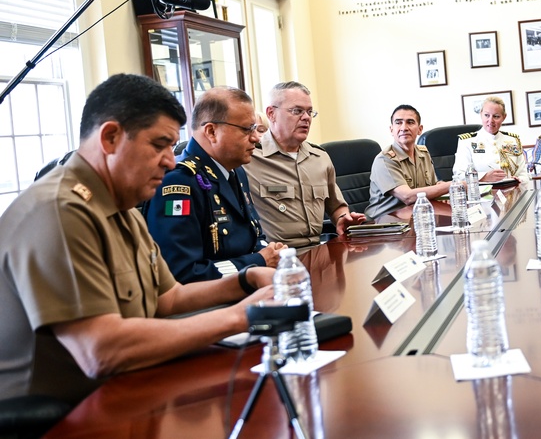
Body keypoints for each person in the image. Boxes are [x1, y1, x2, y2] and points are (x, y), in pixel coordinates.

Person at [0, 74, 274, 405]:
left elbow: (168, 298)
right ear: (111, 137)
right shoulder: (59, 212)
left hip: (124, 390)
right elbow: (101, 351)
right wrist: (242, 317)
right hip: (58, 416)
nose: (171, 161)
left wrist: (246, 281)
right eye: (159, 145)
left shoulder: (122, 205)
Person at [146, 87, 283, 283]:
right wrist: (258, 262)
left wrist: (272, 253)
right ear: (211, 131)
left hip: (248, 288)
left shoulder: (235, 171)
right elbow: (182, 273)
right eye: (246, 129)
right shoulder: (179, 182)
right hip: (210, 304)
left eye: (254, 129)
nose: (255, 138)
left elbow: (252, 234)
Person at [245, 81, 366, 248]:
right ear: (271, 113)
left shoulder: (320, 157)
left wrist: (342, 218)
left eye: (310, 112)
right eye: (297, 111)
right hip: (278, 258)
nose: (306, 118)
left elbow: (337, 207)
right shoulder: (249, 158)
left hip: (319, 252)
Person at [367, 104, 451, 219]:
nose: (404, 128)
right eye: (398, 122)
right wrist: (453, 185)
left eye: (410, 122)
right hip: (385, 224)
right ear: (391, 129)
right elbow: (407, 197)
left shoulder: (423, 153)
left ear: (420, 129)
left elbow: (433, 186)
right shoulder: (385, 160)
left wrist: (445, 189)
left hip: (415, 217)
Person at [454, 96, 530, 184]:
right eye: (486, 115)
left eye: (496, 116)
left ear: (504, 117)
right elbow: (459, 175)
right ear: (481, 114)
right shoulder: (467, 142)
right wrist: (484, 177)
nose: (490, 120)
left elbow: (523, 174)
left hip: (511, 193)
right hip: (481, 194)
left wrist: (519, 180)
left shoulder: (513, 140)